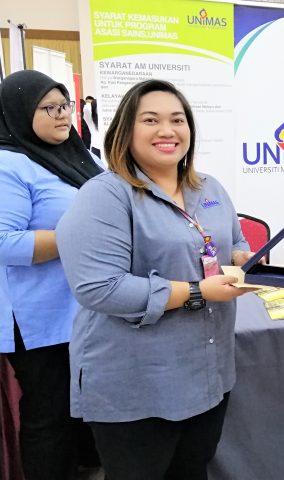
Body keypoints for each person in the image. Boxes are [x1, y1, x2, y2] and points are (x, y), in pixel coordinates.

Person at [56, 79, 255, 480]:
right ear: (125, 131)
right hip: (136, 384)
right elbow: (99, 287)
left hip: (208, 373)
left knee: (192, 470)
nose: (168, 130)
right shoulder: (105, 195)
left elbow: (235, 240)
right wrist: (197, 291)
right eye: (151, 120)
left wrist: (243, 258)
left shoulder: (209, 188)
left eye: (178, 120)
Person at [0, 70, 103, 479]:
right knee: (51, 415)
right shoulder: (8, 164)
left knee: (86, 411)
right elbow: (4, 243)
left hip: (88, 306)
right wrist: (82, 236)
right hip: (38, 318)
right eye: (49, 107)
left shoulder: (83, 156)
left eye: (65, 105)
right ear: (19, 112)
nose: (62, 115)